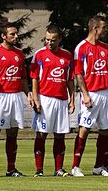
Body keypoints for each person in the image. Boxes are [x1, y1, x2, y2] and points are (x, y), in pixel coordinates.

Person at [70, 16, 108, 177]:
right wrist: (85, 94)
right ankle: (75, 166)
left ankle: (100, 166)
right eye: (103, 27)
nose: (105, 30)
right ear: (95, 28)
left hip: (106, 92)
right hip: (91, 93)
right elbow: (79, 73)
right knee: (84, 130)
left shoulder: (106, 48)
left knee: (107, 130)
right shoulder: (81, 48)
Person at [0, 22, 33, 177]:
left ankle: (11, 169)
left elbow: (23, 77)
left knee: (13, 133)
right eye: (12, 34)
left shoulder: (19, 53)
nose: (16, 36)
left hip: (16, 96)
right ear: (3, 36)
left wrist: (28, 93)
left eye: (16, 33)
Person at [30, 25, 75, 177]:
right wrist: (36, 99)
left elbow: (70, 80)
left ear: (59, 40)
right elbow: (35, 79)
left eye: (53, 40)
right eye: (47, 39)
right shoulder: (39, 55)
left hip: (61, 100)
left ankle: (59, 169)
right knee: (41, 134)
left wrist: (72, 100)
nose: (49, 43)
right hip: (45, 99)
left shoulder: (67, 56)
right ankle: (39, 170)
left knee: (60, 134)